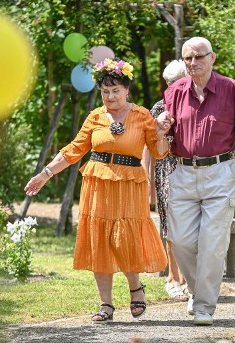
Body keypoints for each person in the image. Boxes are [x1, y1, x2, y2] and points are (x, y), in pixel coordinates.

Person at [24, 58, 171, 323]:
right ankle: (106, 304)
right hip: (98, 183)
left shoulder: (142, 116)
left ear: (127, 89)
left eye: (116, 91)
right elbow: (73, 150)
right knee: (100, 240)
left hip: (129, 185)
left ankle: (135, 288)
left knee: (124, 239)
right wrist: (45, 174)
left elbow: (159, 153)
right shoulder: (94, 117)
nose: (110, 96)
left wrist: (161, 133)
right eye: (105, 92)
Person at [163, 37, 235, 326]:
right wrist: (162, 128)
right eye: (187, 58)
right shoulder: (173, 91)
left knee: (212, 243)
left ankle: (204, 307)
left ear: (213, 58)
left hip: (221, 172)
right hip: (183, 172)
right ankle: (198, 292)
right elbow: (165, 134)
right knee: (181, 240)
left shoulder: (230, 89)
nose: (193, 63)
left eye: (199, 57)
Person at [142, 59, 189, 301]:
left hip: (190, 170)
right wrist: (144, 173)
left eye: (179, 81)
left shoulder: (195, 103)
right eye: (170, 83)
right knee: (170, 224)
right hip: (166, 171)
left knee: (191, 226)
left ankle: (189, 278)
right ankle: (173, 276)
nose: (174, 87)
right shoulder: (159, 107)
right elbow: (147, 145)